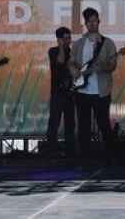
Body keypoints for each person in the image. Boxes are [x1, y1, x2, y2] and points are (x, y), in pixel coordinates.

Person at [68, 8, 118, 168]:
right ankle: (84, 159)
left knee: (104, 125)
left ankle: (110, 156)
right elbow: (72, 61)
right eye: (89, 21)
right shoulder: (79, 43)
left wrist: (102, 68)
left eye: (94, 20)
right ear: (86, 23)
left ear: (99, 21)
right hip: (82, 92)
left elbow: (113, 64)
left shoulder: (108, 43)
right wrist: (74, 69)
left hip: (101, 92)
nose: (92, 24)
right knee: (83, 128)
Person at [46, 27, 75, 156]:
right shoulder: (53, 51)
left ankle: (70, 148)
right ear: (59, 39)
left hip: (69, 93)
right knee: (54, 121)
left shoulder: (72, 52)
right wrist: (62, 46)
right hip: (57, 93)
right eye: (66, 38)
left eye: (69, 38)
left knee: (70, 122)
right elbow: (60, 62)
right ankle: (52, 148)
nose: (69, 40)